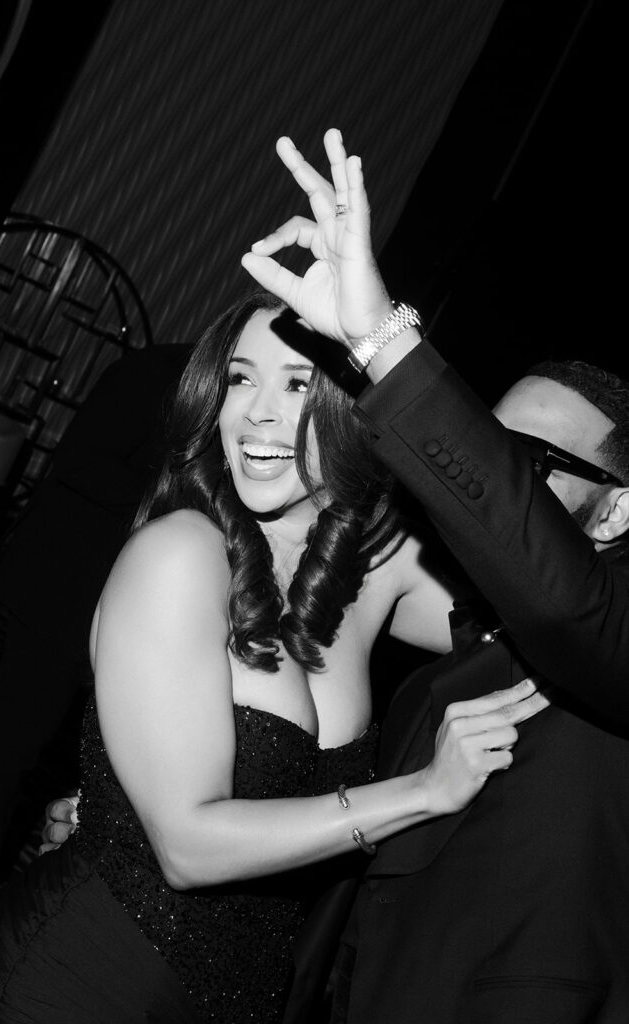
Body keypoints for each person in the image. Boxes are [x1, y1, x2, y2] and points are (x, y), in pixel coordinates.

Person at [0, 256, 546, 1018]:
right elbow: (187, 847)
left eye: (298, 385)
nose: (257, 413)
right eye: (239, 379)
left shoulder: (381, 563)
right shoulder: (181, 553)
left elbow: (548, 615)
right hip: (78, 984)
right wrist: (423, 792)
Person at [233, 130, 629, 1023]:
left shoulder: (599, 627)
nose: (490, 479)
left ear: (614, 512)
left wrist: (381, 338)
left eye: (527, 462)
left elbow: (565, 603)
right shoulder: (443, 653)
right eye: (484, 446)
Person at [0, 342, 193, 941]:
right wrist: (175, 502)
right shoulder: (153, 374)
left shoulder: (202, 389)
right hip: (57, 588)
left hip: (86, 592)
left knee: (2, 727)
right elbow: (80, 460)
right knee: (16, 737)